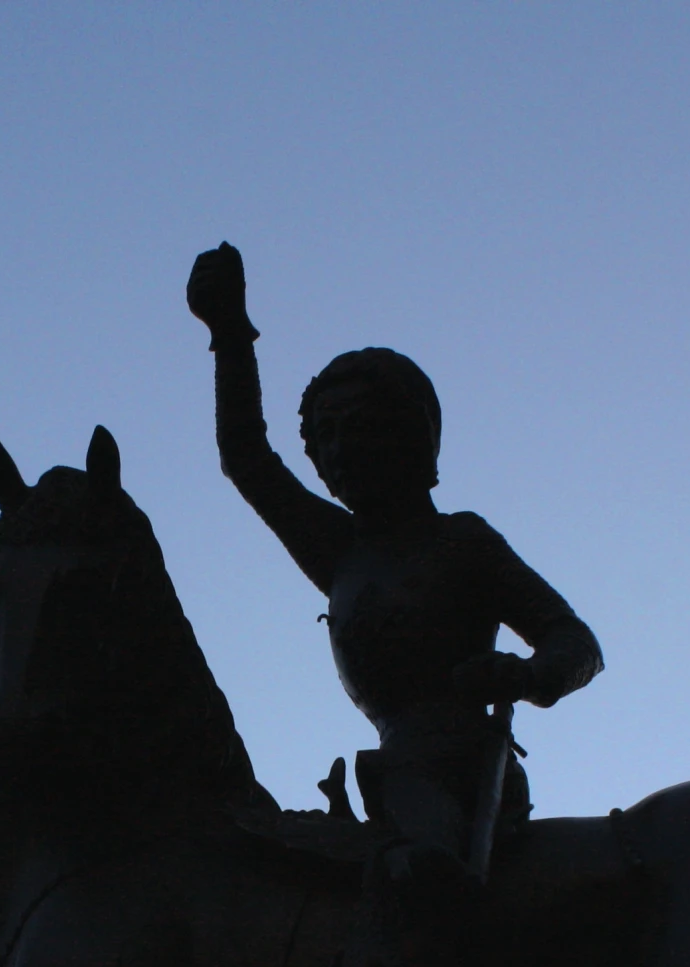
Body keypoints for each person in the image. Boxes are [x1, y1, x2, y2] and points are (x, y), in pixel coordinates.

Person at [186, 242, 601, 876]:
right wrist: (229, 334)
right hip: (394, 774)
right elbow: (247, 456)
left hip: (464, 775)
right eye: (326, 435)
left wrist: (525, 675)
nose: (342, 449)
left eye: (362, 426)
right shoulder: (339, 550)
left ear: (411, 434)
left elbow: (574, 640)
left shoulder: (462, 541)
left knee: (424, 876)